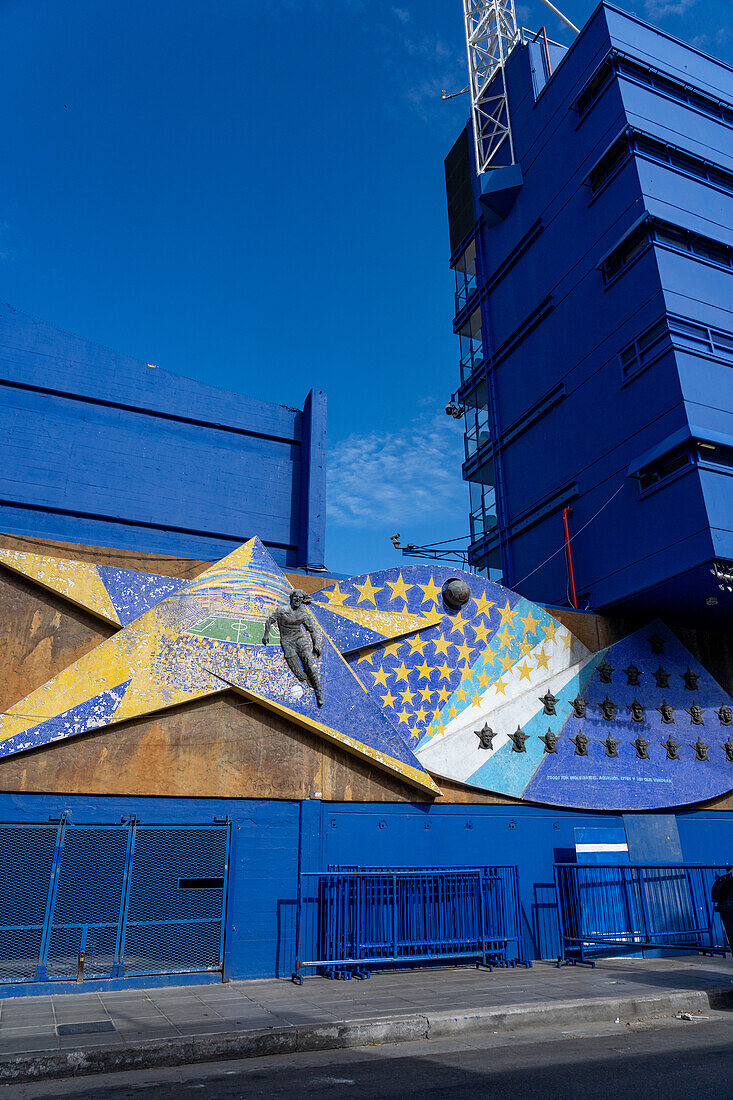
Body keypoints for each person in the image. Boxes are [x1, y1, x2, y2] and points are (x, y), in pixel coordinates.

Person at [263, 590, 324, 705]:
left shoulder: (303, 614)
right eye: (296, 597)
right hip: (287, 642)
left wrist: (315, 644)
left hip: (300, 640)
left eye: (300, 598)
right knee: (298, 673)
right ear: (291, 597)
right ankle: (308, 679)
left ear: (302, 600)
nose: (297, 600)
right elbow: (269, 621)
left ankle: (318, 691)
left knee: (310, 664)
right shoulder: (282, 610)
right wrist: (266, 634)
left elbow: (312, 630)